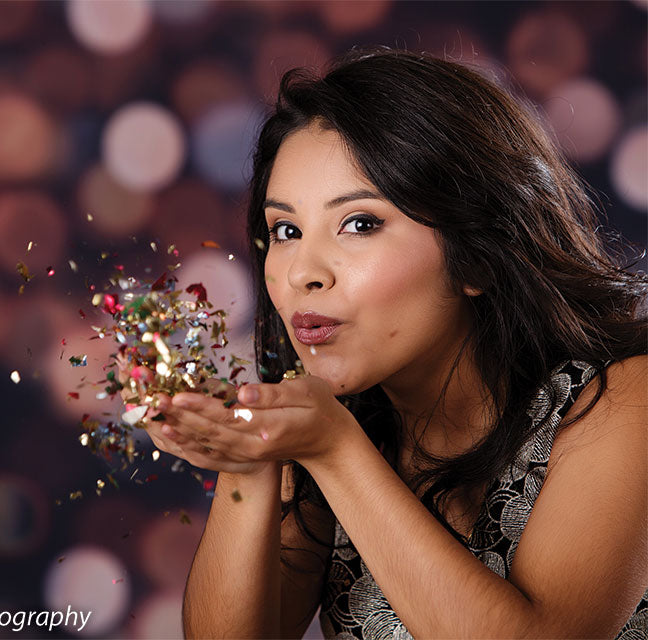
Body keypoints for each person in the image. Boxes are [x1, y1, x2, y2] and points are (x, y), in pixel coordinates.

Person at [138, 47, 648, 638]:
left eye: (358, 223)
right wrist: (248, 460)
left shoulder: (623, 402)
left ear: (476, 255)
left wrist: (335, 451)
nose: (304, 271)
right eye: (286, 230)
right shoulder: (334, 422)